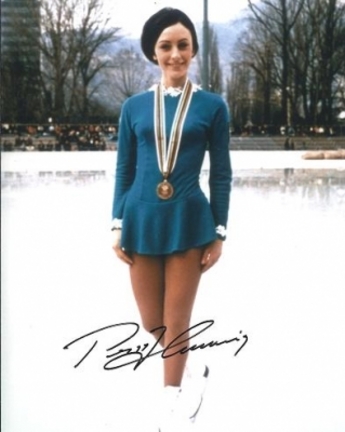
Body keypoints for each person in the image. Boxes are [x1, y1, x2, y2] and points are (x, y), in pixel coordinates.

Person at [111, 7, 232, 431]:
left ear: (194, 49)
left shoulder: (212, 106)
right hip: (140, 221)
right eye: (166, 46)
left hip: (189, 223)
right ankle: (193, 367)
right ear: (153, 52)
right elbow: (125, 169)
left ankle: (170, 411)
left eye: (183, 45)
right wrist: (115, 224)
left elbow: (221, 171)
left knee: (177, 322)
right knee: (151, 321)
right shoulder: (134, 107)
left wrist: (219, 231)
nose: (175, 54)